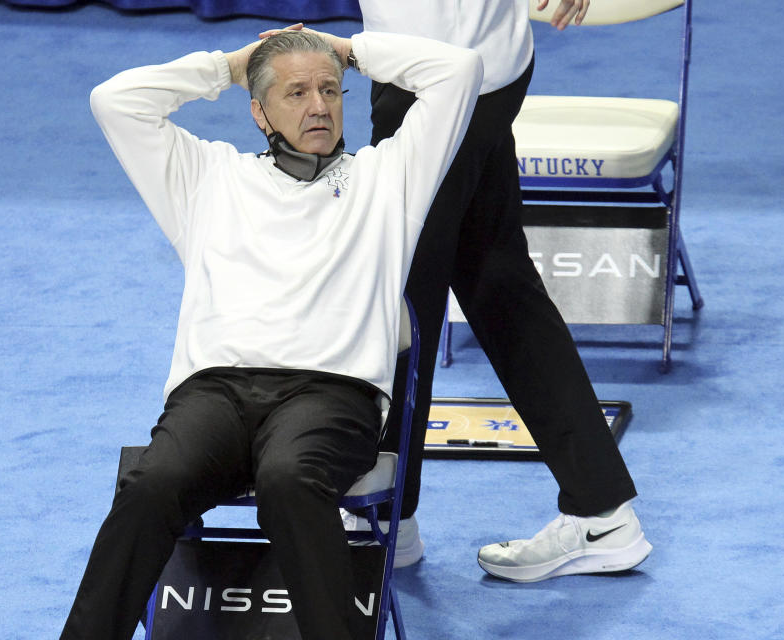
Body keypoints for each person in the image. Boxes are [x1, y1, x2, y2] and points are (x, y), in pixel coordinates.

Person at [59, 26, 482, 640]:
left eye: (331, 91)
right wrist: (230, 65)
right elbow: (115, 101)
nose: (319, 106)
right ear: (259, 111)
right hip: (214, 396)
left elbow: (460, 71)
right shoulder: (206, 176)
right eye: (296, 93)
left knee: (290, 479)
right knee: (154, 483)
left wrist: (347, 50)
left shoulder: (390, 180)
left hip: (329, 398)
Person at [345, 0, 654, 581]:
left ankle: (384, 520)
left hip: (430, 79)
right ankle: (601, 510)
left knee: (402, 297)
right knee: (495, 280)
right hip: (484, 69)